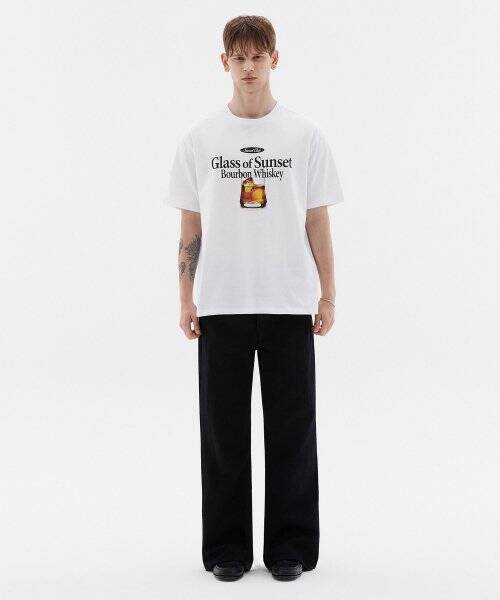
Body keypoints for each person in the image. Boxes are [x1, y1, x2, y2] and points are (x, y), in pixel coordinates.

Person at [164, 15, 344, 582]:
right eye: (238, 58)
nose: (248, 68)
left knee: (293, 430)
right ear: (224, 62)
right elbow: (190, 227)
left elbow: (317, 222)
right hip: (222, 303)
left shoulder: (304, 137)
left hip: (289, 301)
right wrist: (186, 297)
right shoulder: (200, 140)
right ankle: (227, 550)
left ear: (274, 59)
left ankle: (290, 548)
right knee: (223, 433)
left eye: (257, 57)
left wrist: (328, 294)